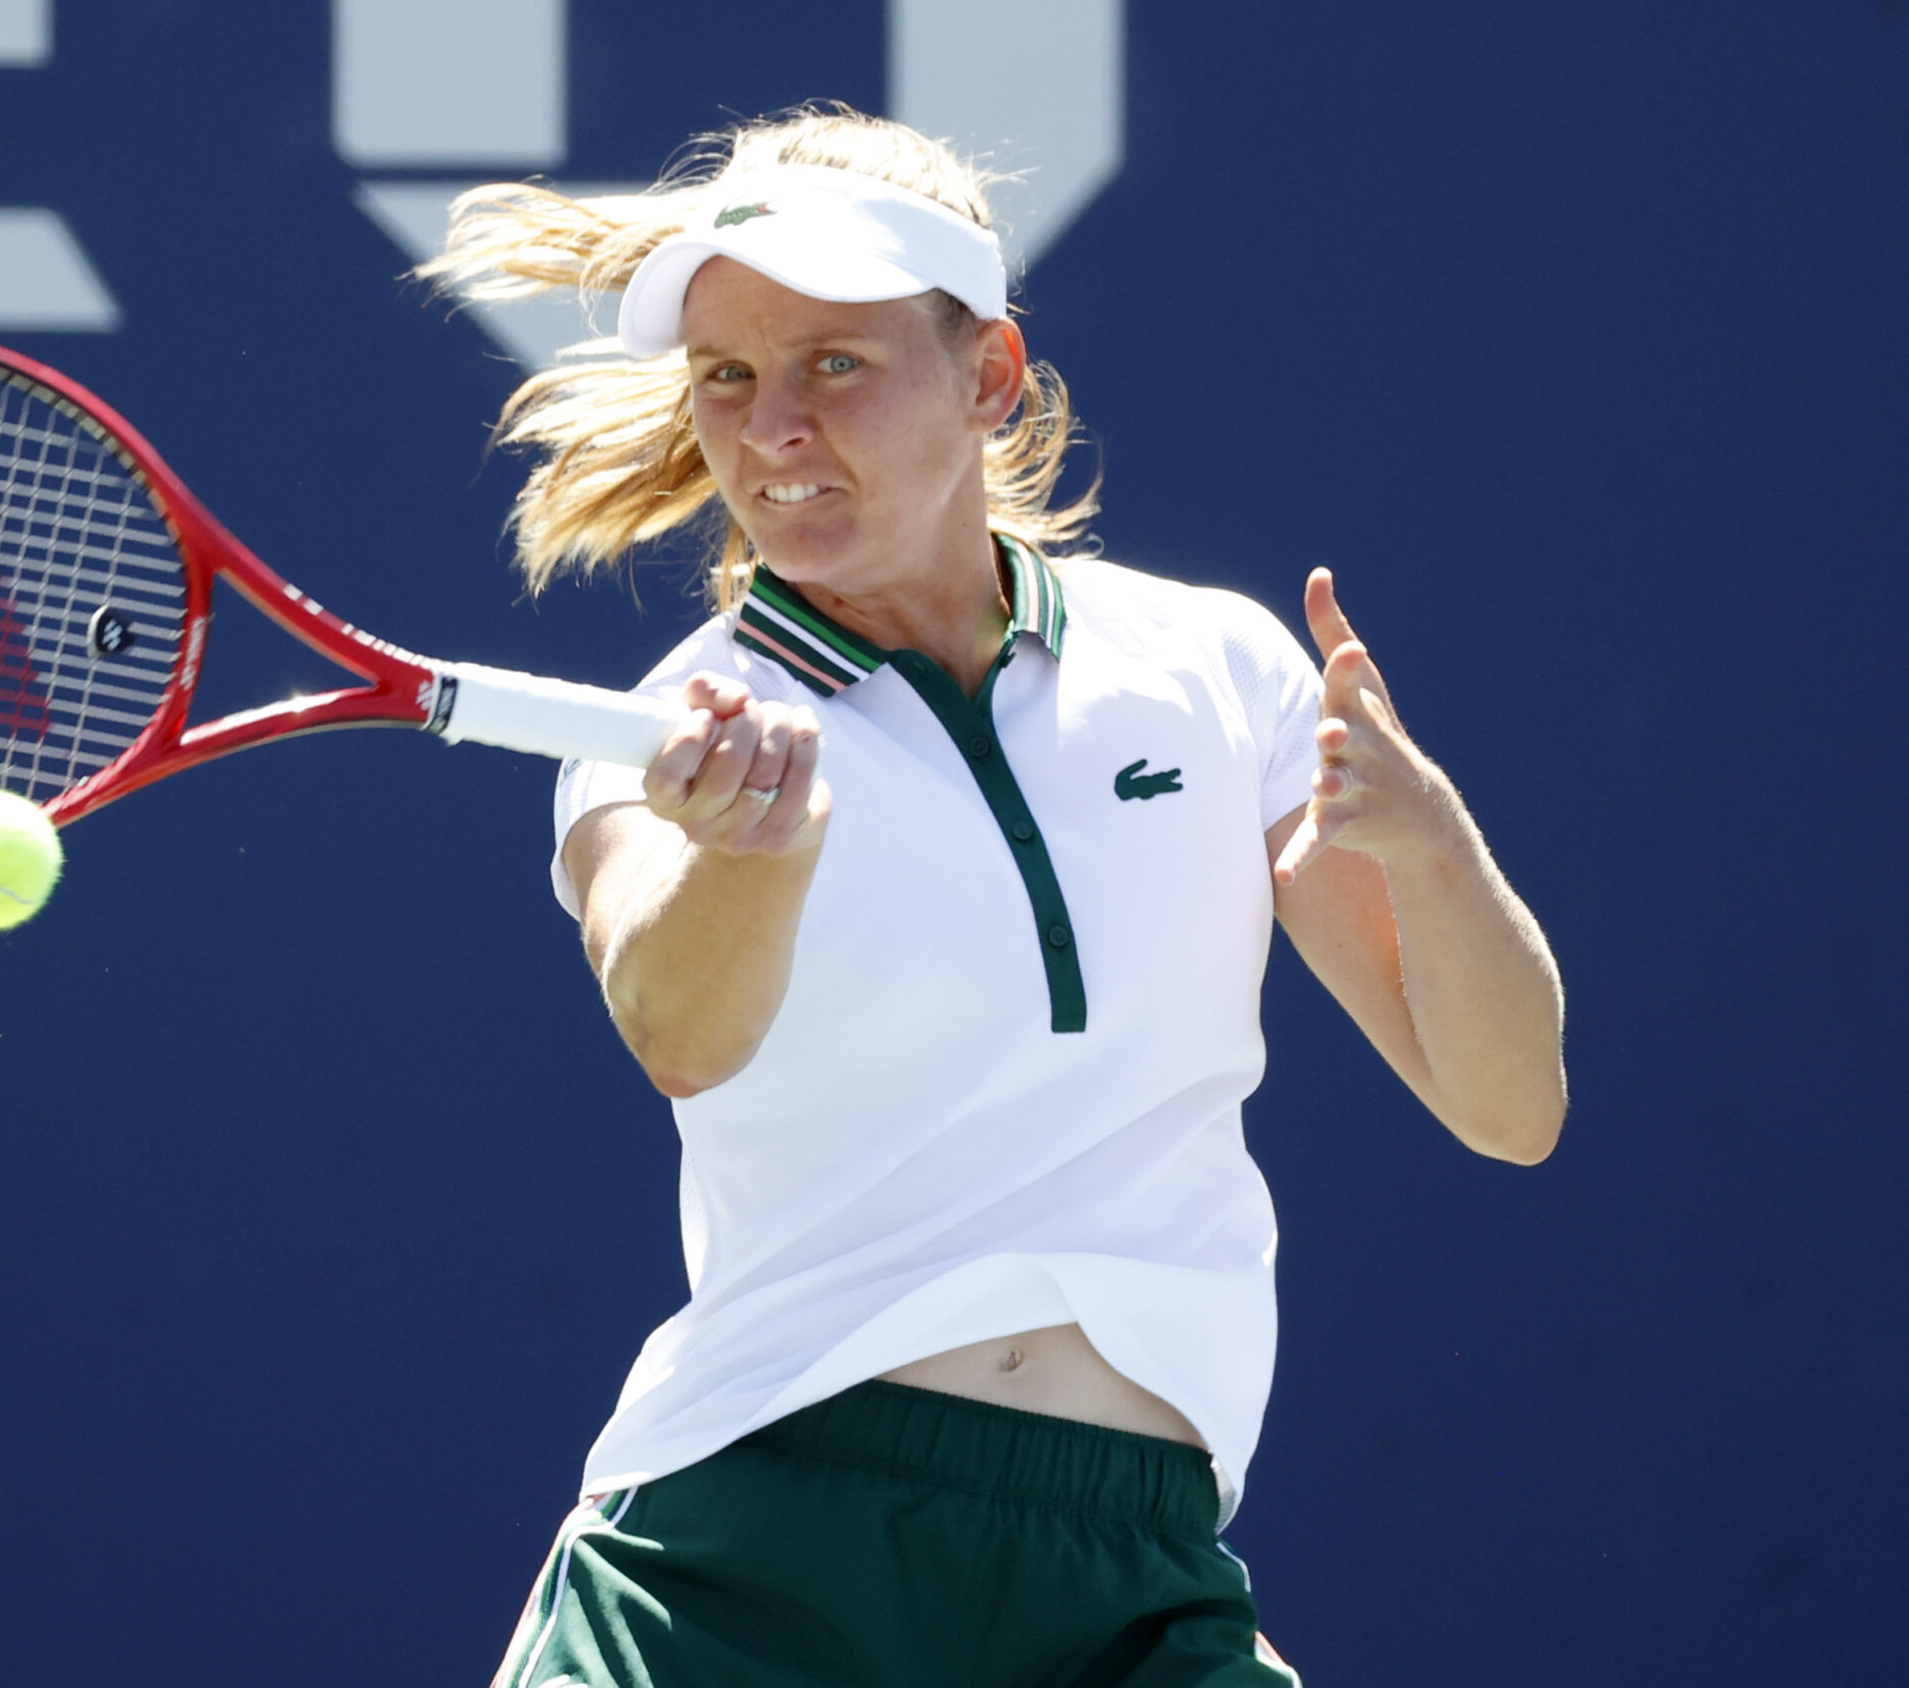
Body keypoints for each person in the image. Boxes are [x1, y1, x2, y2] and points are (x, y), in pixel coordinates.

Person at [422, 107, 1566, 1688]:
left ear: (990, 376)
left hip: (1132, 1580)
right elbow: (675, 1025)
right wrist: (755, 850)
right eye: (729, 378)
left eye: (835, 363)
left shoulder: (1220, 670)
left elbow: (1511, 1103)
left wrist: (1435, 846)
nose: (771, 432)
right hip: (754, 1554)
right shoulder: (665, 735)